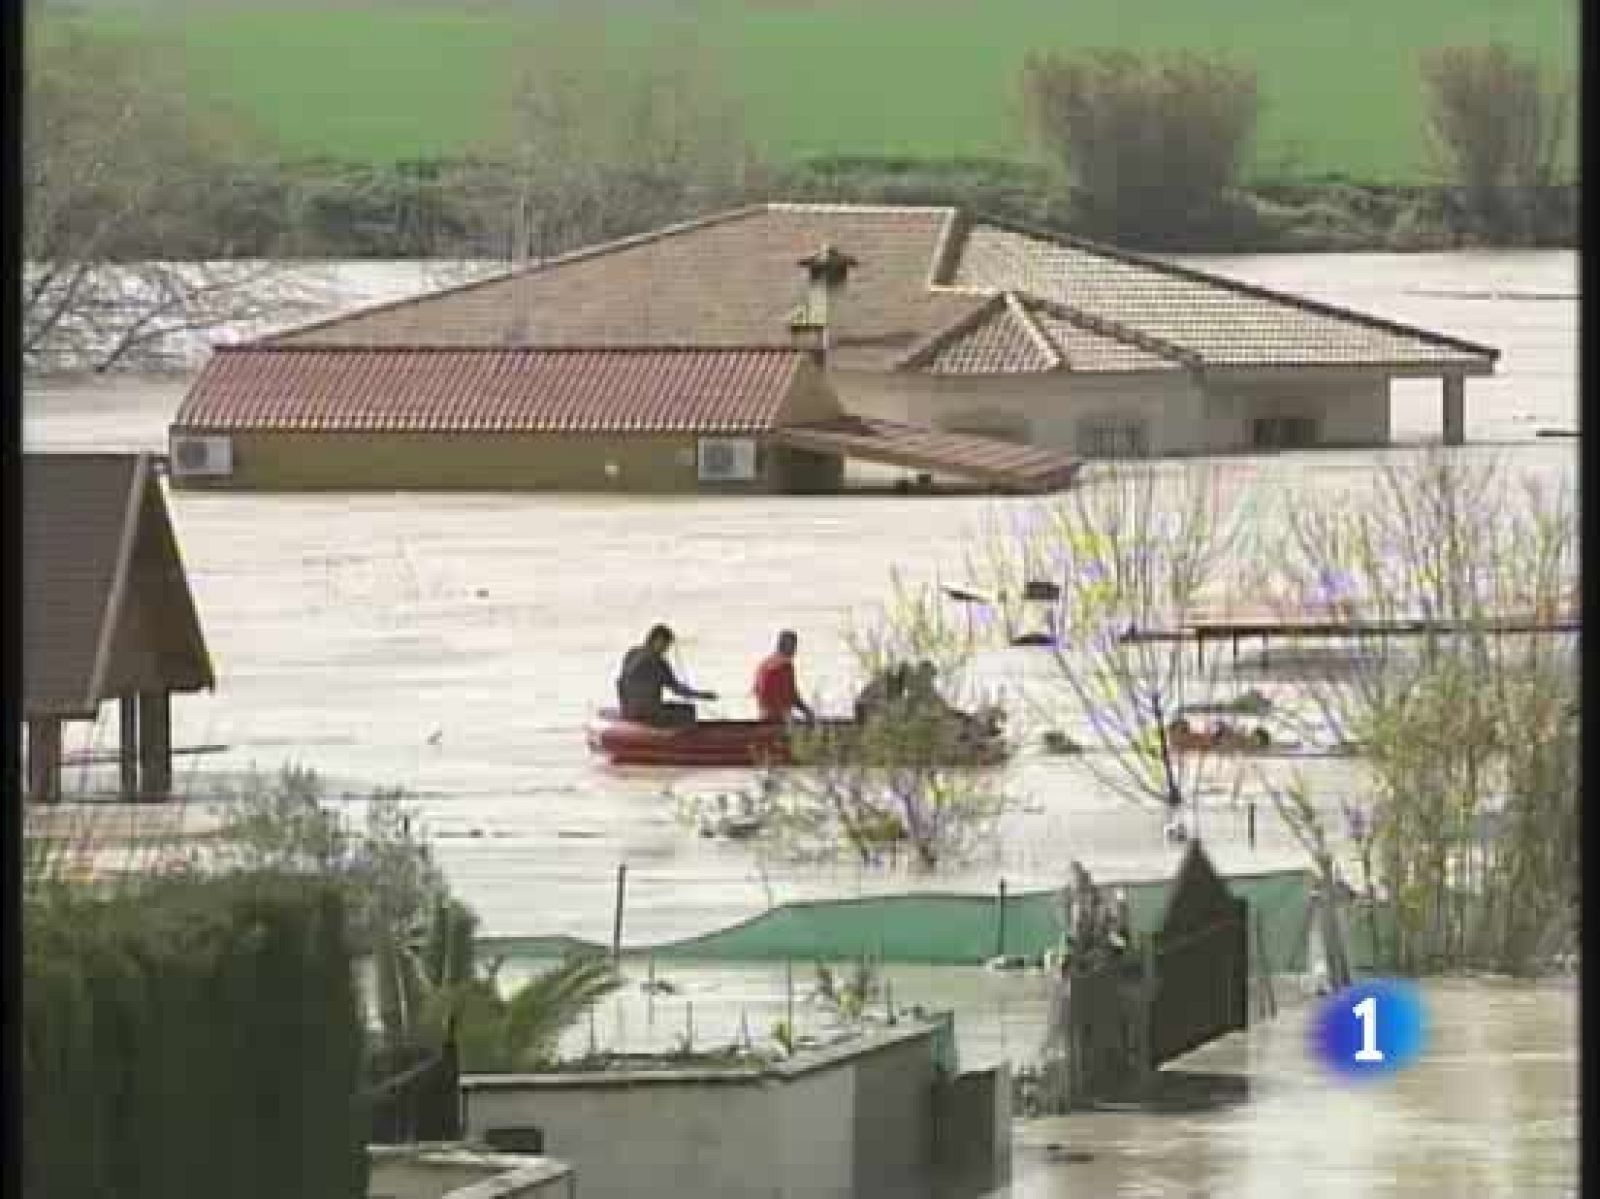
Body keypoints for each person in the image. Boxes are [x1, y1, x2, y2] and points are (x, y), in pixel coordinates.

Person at [615, 624, 717, 728]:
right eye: (666, 644)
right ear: (657, 640)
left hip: (628, 711)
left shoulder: (632, 653)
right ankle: (683, 739)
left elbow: (619, 682)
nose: (666, 648)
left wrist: (624, 707)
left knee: (667, 707)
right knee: (688, 710)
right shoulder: (658, 663)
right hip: (649, 714)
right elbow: (677, 690)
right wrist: (702, 695)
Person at [753, 630, 815, 725]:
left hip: (764, 717)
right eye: (793, 646)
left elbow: (758, 691)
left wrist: (805, 710)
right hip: (779, 719)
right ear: (784, 646)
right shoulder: (784, 666)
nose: (795, 650)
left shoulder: (764, 664)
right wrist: (806, 712)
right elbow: (789, 695)